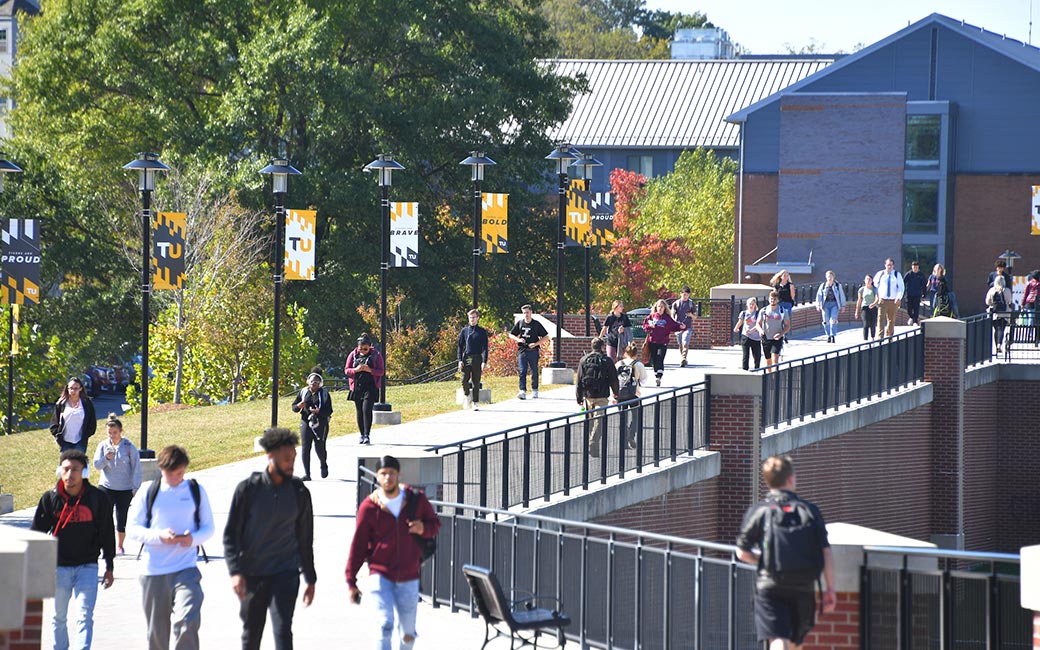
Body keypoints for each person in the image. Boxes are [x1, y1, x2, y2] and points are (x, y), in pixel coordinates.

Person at [224, 428, 316, 650]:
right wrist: (235, 572)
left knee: (283, 631)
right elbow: (231, 535)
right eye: (286, 459)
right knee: (251, 633)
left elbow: (305, 538)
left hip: (286, 574)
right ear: (270, 456)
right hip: (252, 575)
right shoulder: (248, 489)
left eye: (293, 458)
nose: (291, 464)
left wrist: (310, 578)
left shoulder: (299, 492)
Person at [736, 455, 836, 650]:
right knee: (795, 641)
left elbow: (742, 552)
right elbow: (825, 552)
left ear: (768, 481)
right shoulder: (810, 510)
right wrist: (830, 589)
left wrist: (765, 560)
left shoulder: (761, 511)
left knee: (777, 638)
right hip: (804, 585)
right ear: (790, 479)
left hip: (770, 584)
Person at [347, 455, 441, 650]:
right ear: (377, 477)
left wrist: (423, 528)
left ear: (399, 474)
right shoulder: (369, 507)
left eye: (391, 473)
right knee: (384, 625)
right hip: (380, 574)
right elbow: (359, 544)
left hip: (409, 575)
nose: (388, 478)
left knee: (408, 633)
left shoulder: (416, 499)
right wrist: (351, 580)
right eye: (383, 474)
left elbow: (435, 524)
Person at [126, 445, 215, 650]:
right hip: (154, 571)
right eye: (172, 473)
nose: (177, 477)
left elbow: (208, 527)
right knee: (157, 633)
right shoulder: (149, 491)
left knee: (187, 620)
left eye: (181, 473)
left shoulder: (195, 490)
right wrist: (159, 536)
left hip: (186, 569)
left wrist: (192, 539)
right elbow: (132, 529)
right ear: (161, 469)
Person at [31, 449, 115, 650]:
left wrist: (109, 565)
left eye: (75, 469)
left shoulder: (97, 498)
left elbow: (107, 533)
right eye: (66, 469)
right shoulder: (50, 499)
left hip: (87, 566)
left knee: (85, 616)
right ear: (60, 471)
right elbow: (36, 535)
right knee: (58, 617)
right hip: (58, 567)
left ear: (84, 472)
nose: (70, 474)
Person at [92, 413, 142, 554]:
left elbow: (136, 468)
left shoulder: (128, 447)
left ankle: (120, 546)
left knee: (121, 518)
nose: (112, 436)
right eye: (109, 433)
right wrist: (106, 458)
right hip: (106, 486)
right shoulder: (103, 446)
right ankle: (105, 546)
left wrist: (135, 487)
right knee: (104, 517)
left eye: (114, 432)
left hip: (125, 488)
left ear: (121, 431)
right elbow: (96, 465)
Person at [575, 337, 619, 457]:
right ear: (602, 347)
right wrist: (616, 393)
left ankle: (593, 447)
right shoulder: (607, 361)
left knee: (590, 421)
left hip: (588, 396)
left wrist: (579, 397)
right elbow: (613, 379)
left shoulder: (584, 360)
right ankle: (593, 443)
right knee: (599, 420)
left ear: (592, 346)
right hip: (602, 396)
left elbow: (578, 380)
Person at [291, 368, 333, 480]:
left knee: (320, 447)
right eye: (311, 381)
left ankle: (323, 465)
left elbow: (329, 411)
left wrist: (319, 412)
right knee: (305, 447)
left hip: (321, 422)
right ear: (307, 381)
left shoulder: (324, 394)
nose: (313, 384)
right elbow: (294, 407)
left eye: (316, 382)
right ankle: (307, 474)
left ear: (320, 384)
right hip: (305, 421)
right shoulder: (303, 392)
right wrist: (299, 406)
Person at [345, 334, 384, 446]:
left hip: (370, 387)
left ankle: (367, 434)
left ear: (369, 347)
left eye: (365, 349)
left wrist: (370, 370)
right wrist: (355, 370)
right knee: (359, 411)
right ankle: (361, 434)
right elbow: (347, 370)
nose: (362, 351)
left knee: (366, 409)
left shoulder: (376, 355)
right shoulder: (353, 355)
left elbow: (381, 371)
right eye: (360, 349)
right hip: (357, 387)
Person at [508, 305, 549, 400]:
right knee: (522, 370)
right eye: (524, 313)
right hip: (522, 350)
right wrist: (518, 340)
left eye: (527, 312)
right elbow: (511, 334)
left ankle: (535, 390)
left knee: (534, 370)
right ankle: (522, 391)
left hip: (533, 350)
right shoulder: (520, 323)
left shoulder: (536, 324)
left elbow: (546, 336)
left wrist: (536, 344)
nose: (526, 314)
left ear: (531, 312)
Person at [642, 299, 685, 386]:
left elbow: (674, 325)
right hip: (652, 341)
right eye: (659, 306)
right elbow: (645, 326)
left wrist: (682, 327)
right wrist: (649, 326)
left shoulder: (667, 318)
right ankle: (656, 374)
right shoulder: (651, 316)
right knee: (654, 360)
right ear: (656, 307)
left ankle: (659, 376)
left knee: (660, 358)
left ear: (665, 308)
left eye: (662, 307)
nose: (660, 308)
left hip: (663, 342)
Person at [50, 377, 97, 453]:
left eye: (76, 388)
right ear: (67, 389)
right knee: (66, 464)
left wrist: (86, 435)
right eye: (71, 388)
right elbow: (54, 423)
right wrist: (58, 435)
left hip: (80, 442)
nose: (73, 391)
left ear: (80, 389)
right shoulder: (62, 403)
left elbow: (92, 422)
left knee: (79, 463)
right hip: (65, 442)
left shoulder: (86, 403)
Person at [615, 342, 647, 448]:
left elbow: (614, 380)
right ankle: (631, 435)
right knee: (636, 417)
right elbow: (643, 380)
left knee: (622, 417)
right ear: (636, 354)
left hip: (620, 394)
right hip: (635, 394)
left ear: (625, 353)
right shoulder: (638, 364)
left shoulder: (619, 364)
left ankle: (623, 440)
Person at [456, 308, 489, 410]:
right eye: (470, 318)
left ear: (477, 318)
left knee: (476, 381)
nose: (472, 319)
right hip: (468, 357)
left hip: (477, 357)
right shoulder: (464, 331)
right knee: (464, 379)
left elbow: (485, 348)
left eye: (474, 317)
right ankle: (467, 396)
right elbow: (460, 346)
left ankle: (475, 402)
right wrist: (460, 360)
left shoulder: (482, 331)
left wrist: (484, 361)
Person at [756, 292, 790, 370]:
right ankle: (770, 375)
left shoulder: (782, 311)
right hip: (766, 337)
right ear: (768, 299)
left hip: (777, 337)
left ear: (778, 300)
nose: (773, 300)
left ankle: (775, 374)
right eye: (771, 299)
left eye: (775, 299)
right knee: (768, 359)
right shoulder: (763, 310)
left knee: (775, 358)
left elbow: (787, 326)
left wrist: (781, 334)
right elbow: (758, 323)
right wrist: (760, 330)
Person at [873, 258, 904, 338]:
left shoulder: (897, 275)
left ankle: (889, 336)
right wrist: (877, 297)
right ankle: (880, 337)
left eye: (891, 265)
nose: (889, 266)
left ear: (893, 266)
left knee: (891, 320)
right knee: (880, 319)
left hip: (893, 301)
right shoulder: (880, 274)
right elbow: (875, 286)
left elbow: (901, 287)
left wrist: (898, 297)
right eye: (888, 265)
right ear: (885, 265)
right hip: (882, 300)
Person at [813, 271, 846, 343]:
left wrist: (843, 306)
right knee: (826, 320)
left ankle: (832, 335)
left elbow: (842, 295)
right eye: (828, 276)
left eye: (831, 277)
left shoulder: (837, 285)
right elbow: (819, 296)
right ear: (826, 277)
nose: (830, 278)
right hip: (825, 305)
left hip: (834, 304)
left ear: (833, 277)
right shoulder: (823, 285)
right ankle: (828, 335)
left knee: (833, 319)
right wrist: (818, 305)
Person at [734, 297, 762, 370]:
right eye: (750, 304)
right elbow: (740, 322)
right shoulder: (743, 313)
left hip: (756, 337)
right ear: (747, 305)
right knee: (746, 355)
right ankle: (745, 369)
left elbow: (758, 325)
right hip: (746, 336)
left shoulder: (758, 314)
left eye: (753, 304)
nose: (751, 306)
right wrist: (736, 328)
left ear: (755, 304)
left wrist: (752, 330)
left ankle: (757, 369)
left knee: (757, 355)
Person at [986, 275, 1012, 354]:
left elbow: (987, 302)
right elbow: (1009, 301)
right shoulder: (1007, 290)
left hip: (994, 313)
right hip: (1004, 313)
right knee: (1001, 329)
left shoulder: (992, 290)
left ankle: (996, 344)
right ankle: (999, 344)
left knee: (996, 329)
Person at [671, 287, 696, 367]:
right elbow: (672, 314)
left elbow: (695, 317)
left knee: (685, 342)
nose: (686, 296)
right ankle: (683, 357)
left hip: (688, 326)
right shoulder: (676, 304)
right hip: (678, 326)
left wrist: (691, 315)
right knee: (680, 344)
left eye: (687, 295)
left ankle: (683, 358)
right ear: (680, 294)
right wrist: (674, 322)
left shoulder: (691, 304)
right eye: (684, 294)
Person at [855, 275, 880, 340]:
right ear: (864, 280)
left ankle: (872, 337)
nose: (868, 281)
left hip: (873, 307)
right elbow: (859, 300)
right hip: (865, 308)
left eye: (870, 279)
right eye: (867, 279)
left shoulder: (874, 289)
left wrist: (874, 304)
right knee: (866, 323)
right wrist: (857, 311)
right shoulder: (862, 290)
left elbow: (877, 298)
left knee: (873, 323)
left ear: (872, 281)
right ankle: (865, 339)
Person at [904, 261, 926, 326]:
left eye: (916, 267)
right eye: (913, 267)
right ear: (912, 267)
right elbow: (903, 282)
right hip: (909, 294)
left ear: (918, 267)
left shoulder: (921, 275)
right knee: (909, 309)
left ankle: (915, 321)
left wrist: (924, 295)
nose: (915, 268)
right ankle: (912, 317)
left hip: (917, 294)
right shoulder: (909, 274)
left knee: (916, 308)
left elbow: (924, 285)